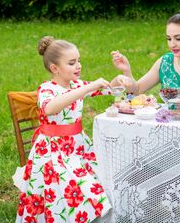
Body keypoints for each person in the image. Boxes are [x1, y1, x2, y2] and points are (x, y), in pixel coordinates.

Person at [15, 36, 116, 222]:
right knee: (82, 193)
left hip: (78, 149)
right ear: (55, 68)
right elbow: (50, 108)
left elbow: (105, 89)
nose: (78, 66)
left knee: (105, 183)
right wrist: (89, 87)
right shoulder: (47, 89)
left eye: (79, 61)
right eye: (72, 63)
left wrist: (118, 80)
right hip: (54, 154)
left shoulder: (77, 85)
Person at [112, 5, 180, 105]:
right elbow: (136, 90)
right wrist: (127, 71)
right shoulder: (165, 62)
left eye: (178, 38)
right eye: (169, 38)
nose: (172, 44)